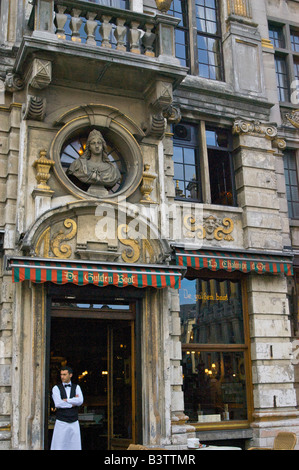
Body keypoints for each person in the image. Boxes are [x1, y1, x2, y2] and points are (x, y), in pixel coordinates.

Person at [67, 129, 121, 195]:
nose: (97, 146)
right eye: (93, 143)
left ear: (103, 146)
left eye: (99, 143)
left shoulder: (112, 170)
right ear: (89, 147)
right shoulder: (78, 165)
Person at [50, 366, 84, 450]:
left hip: (74, 421)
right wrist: (72, 404)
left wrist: (67, 400)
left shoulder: (77, 387)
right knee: (59, 445)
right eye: (61, 374)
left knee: (74, 446)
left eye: (64, 374)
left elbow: (80, 401)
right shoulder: (56, 388)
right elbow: (58, 404)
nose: (62, 377)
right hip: (61, 422)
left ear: (70, 375)